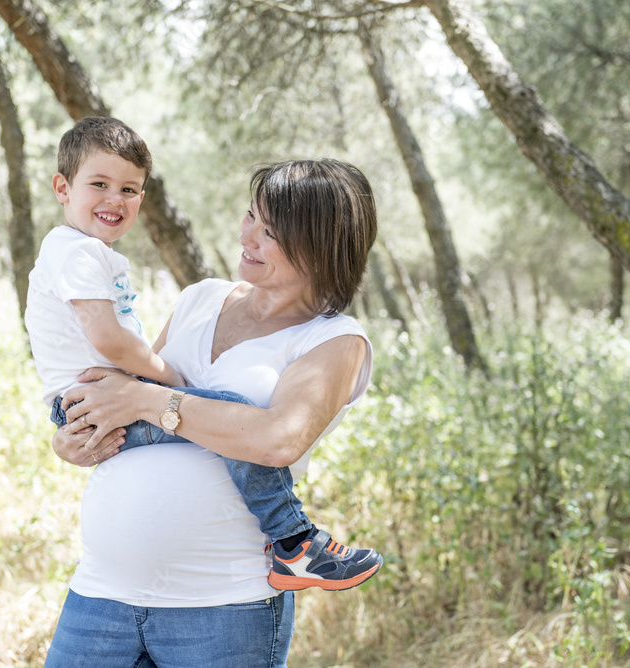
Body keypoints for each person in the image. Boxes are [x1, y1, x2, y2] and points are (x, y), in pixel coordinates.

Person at [43, 158, 380, 667]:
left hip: (223, 608)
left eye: (271, 232)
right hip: (101, 593)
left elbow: (277, 440)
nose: (248, 237)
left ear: (322, 245)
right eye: (251, 217)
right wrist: (72, 439)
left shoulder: (335, 339)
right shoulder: (201, 298)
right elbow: (124, 396)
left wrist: (149, 401)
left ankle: (299, 546)